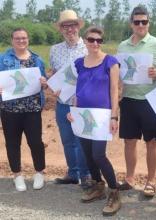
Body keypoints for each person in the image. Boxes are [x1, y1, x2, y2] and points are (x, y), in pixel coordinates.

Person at [117, 6, 156, 196]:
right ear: (131, 23)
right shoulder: (122, 46)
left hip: (151, 101)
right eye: (137, 21)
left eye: (144, 22)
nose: (140, 25)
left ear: (149, 23)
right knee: (129, 141)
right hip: (129, 100)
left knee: (152, 142)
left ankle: (150, 181)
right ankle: (130, 178)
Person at [67, 26, 121, 216]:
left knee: (99, 155)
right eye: (91, 40)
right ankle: (98, 186)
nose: (95, 43)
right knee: (88, 154)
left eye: (99, 40)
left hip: (102, 117)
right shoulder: (78, 63)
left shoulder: (110, 62)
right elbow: (75, 91)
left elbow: (115, 91)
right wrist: (72, 111)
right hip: (82, 116)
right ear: (85, 40)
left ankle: (114, 192)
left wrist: (114, 116)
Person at [0, 28, 47, 191]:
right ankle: (17, 175)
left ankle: (40, 172)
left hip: (32, 109)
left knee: (36, 142)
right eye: (17, 38)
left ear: (28, 40)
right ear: (12, 40)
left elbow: (44, 81)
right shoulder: (3, 59)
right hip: (9, 110)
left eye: (24, 38)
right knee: (12, 143)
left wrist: (43, 81)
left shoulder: (37, 59)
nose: (21, 41)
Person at [50, 10, 90, 186]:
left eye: (72, 25)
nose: (69, 29)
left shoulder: (88, 47)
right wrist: (54, 88)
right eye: (65, 26)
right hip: (62, 103)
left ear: (78, 27)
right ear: (61, 29)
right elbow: (54, 75)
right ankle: (73, 173)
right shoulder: (54, 50)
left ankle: (86, 174)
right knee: (68, 140)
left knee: (83, 140)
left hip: (83, 104)